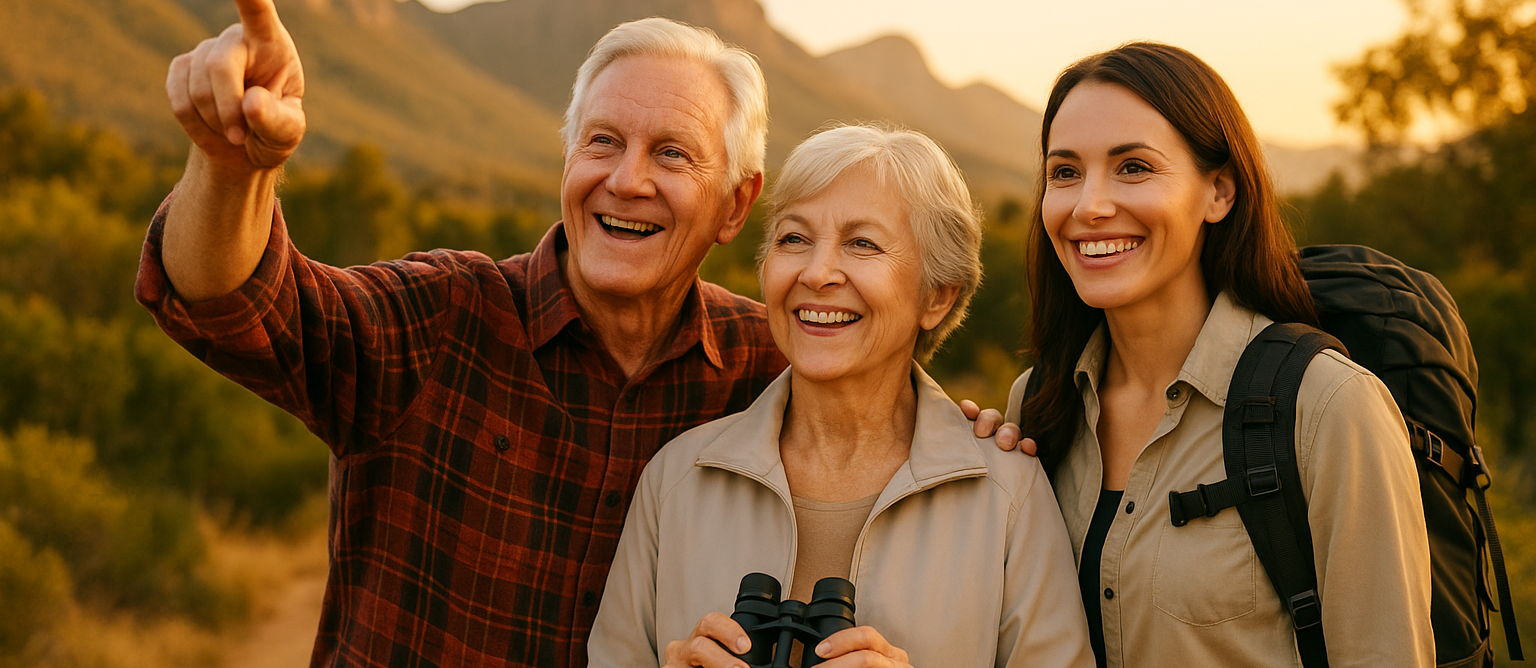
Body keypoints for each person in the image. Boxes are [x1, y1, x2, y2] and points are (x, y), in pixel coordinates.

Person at [139, 1, 1011, 665]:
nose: (625, 180)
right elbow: (239, 304)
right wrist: (231, 167)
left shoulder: (769, 363)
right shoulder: (445, 315)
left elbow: (880, 412)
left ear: (735, 205)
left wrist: (973, 432)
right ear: (567, 164)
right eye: (602, 143)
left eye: (672, 154)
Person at [588, 124, 1094, 668]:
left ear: (938, 298)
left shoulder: (1008, 495)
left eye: (862, 244)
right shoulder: (676, 481)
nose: (817, 272)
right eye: (793, 239)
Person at [1002, 43, 1433, 667]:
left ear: (1219, 192)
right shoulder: (1038, 405)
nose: (1089, 205)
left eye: (1133, 168)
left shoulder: (1329, 407)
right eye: (1065, 172)